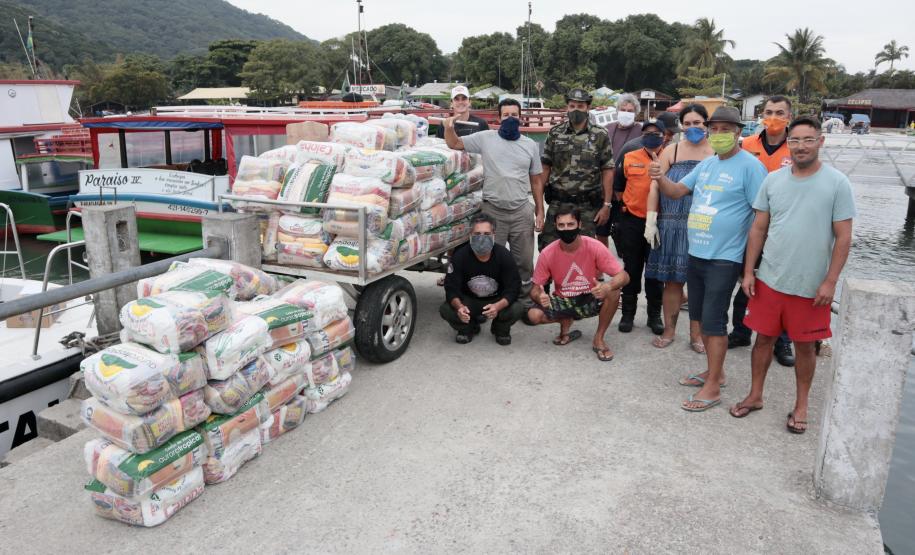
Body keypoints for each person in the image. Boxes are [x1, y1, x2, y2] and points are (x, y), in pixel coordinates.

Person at [729, 116, 855, 433]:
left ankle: (801, 405)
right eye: (795, 140)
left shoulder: (838, 183)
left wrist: (830, 281)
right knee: (762, 341)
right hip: (770, 279)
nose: (801, 146)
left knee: (804, 347)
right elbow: (758, 228)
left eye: (808, 139)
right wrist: (748, 272)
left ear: (821, 141)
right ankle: (755, 395)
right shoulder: (773, 181)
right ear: (788, 144)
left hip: (811, 286)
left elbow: (843, 237)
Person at [649, 106, 768, 411]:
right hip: (696, 252)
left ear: (738, 132)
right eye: (714, 129)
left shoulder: (751, 167)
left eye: (725, 129)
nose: (718, 135)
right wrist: (660, 177)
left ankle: (713, 387)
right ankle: (716, 372)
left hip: (724, 258)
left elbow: (761, 217)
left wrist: (750, 266)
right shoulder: (707, 165)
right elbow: (676, 192)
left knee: (715, 322)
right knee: (700, 316)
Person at [444, 98, 543, 300]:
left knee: (523, 261)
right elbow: (454, 143)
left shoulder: (530, 145)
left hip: (520, 211)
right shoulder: (485, 138)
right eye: (506, 115)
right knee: (486, 259)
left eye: (514, 115)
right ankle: (489, 299)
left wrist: (540, 210)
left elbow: (536, 181)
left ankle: (522, 300)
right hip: (492, 211)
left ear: (521, 118)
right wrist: (448, 127)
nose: (510, 119)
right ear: (499, 118)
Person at [730, 95, 795, 366]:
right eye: (769, 111)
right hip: (749, 224)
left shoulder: (797, 146)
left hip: (783, 228)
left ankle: (782, 340)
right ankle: (742, 330)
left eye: (780, 112)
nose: (774, 117)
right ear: (760, 114)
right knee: (746, 279)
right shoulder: (746, 144)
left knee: (780, 287)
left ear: (789, 116)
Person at [644, 104, 713, 352]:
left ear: (707, 123)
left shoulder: (716, 152)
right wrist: (651, 220)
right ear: (681, 126)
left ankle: (697, 335)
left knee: (699, 284)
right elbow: (655, 186)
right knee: (672, 283)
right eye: (688, 123)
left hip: (703, 227)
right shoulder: (671, 151)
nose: (693, 127)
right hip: (671, 224)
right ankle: (669, 330)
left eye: (698, 123)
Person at [526, 205, 629, 361]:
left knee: (614, 292)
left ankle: (599, 338)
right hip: (564, 299)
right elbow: (534, 289)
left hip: (590, 297)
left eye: (570, 224)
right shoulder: (548, 253)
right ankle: (566, 321)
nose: (566, 229)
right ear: (555, 227)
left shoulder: (594, 246)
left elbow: (624, 276)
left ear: (580, 225)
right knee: (533, 315)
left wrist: (607, 286)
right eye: (561, 225)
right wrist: (539, 296)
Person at [538, 88, 614, 251]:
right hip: (558, 202)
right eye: (572, 106)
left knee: (584, 251)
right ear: (567, 107)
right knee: (549, 248)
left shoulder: (600, 135)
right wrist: (539, 208)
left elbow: (607, 169)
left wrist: (606, 205)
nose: (576, 110)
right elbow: (545, 167)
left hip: (586, 206)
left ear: (588, 108)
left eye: (580, 106)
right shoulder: (555, 133)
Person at [613, 119, 668, 335]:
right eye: (647, 132)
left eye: (656, 132)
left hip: (659, 223)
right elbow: (618, 188)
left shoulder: (670, 158)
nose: (651, 135)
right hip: (632, 222)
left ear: (665, 135)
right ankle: (628, 314)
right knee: (631, 269)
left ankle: (654, 316)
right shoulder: (629, 157)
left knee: (655, 273)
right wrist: (633, 205)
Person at [440, 213, 525, 345]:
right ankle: (467, 328)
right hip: (469, 300)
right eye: (477, 234)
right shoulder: (460, 256)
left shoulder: (504, 255)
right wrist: (460, 307)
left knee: (517, 308)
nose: (481, 238)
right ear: (470, 236)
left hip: (496, 299)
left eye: (486, 234)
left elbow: (513, 288)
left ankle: (500, 329)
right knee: (446, 309)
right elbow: (451, 288)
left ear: (493, 235)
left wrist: (497, 306)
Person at [435, 85, 489, 286]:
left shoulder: (480, 123)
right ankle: (452, 273)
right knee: (453, 231)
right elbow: (442, 153)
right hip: (452, 184)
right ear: (451, 103)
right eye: (456, 99)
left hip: (474, 183)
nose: (460, 102)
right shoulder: (445, 124)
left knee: (472, 230)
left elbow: (486, 152)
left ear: (469, 101)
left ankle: (473, 275)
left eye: (463, 99)